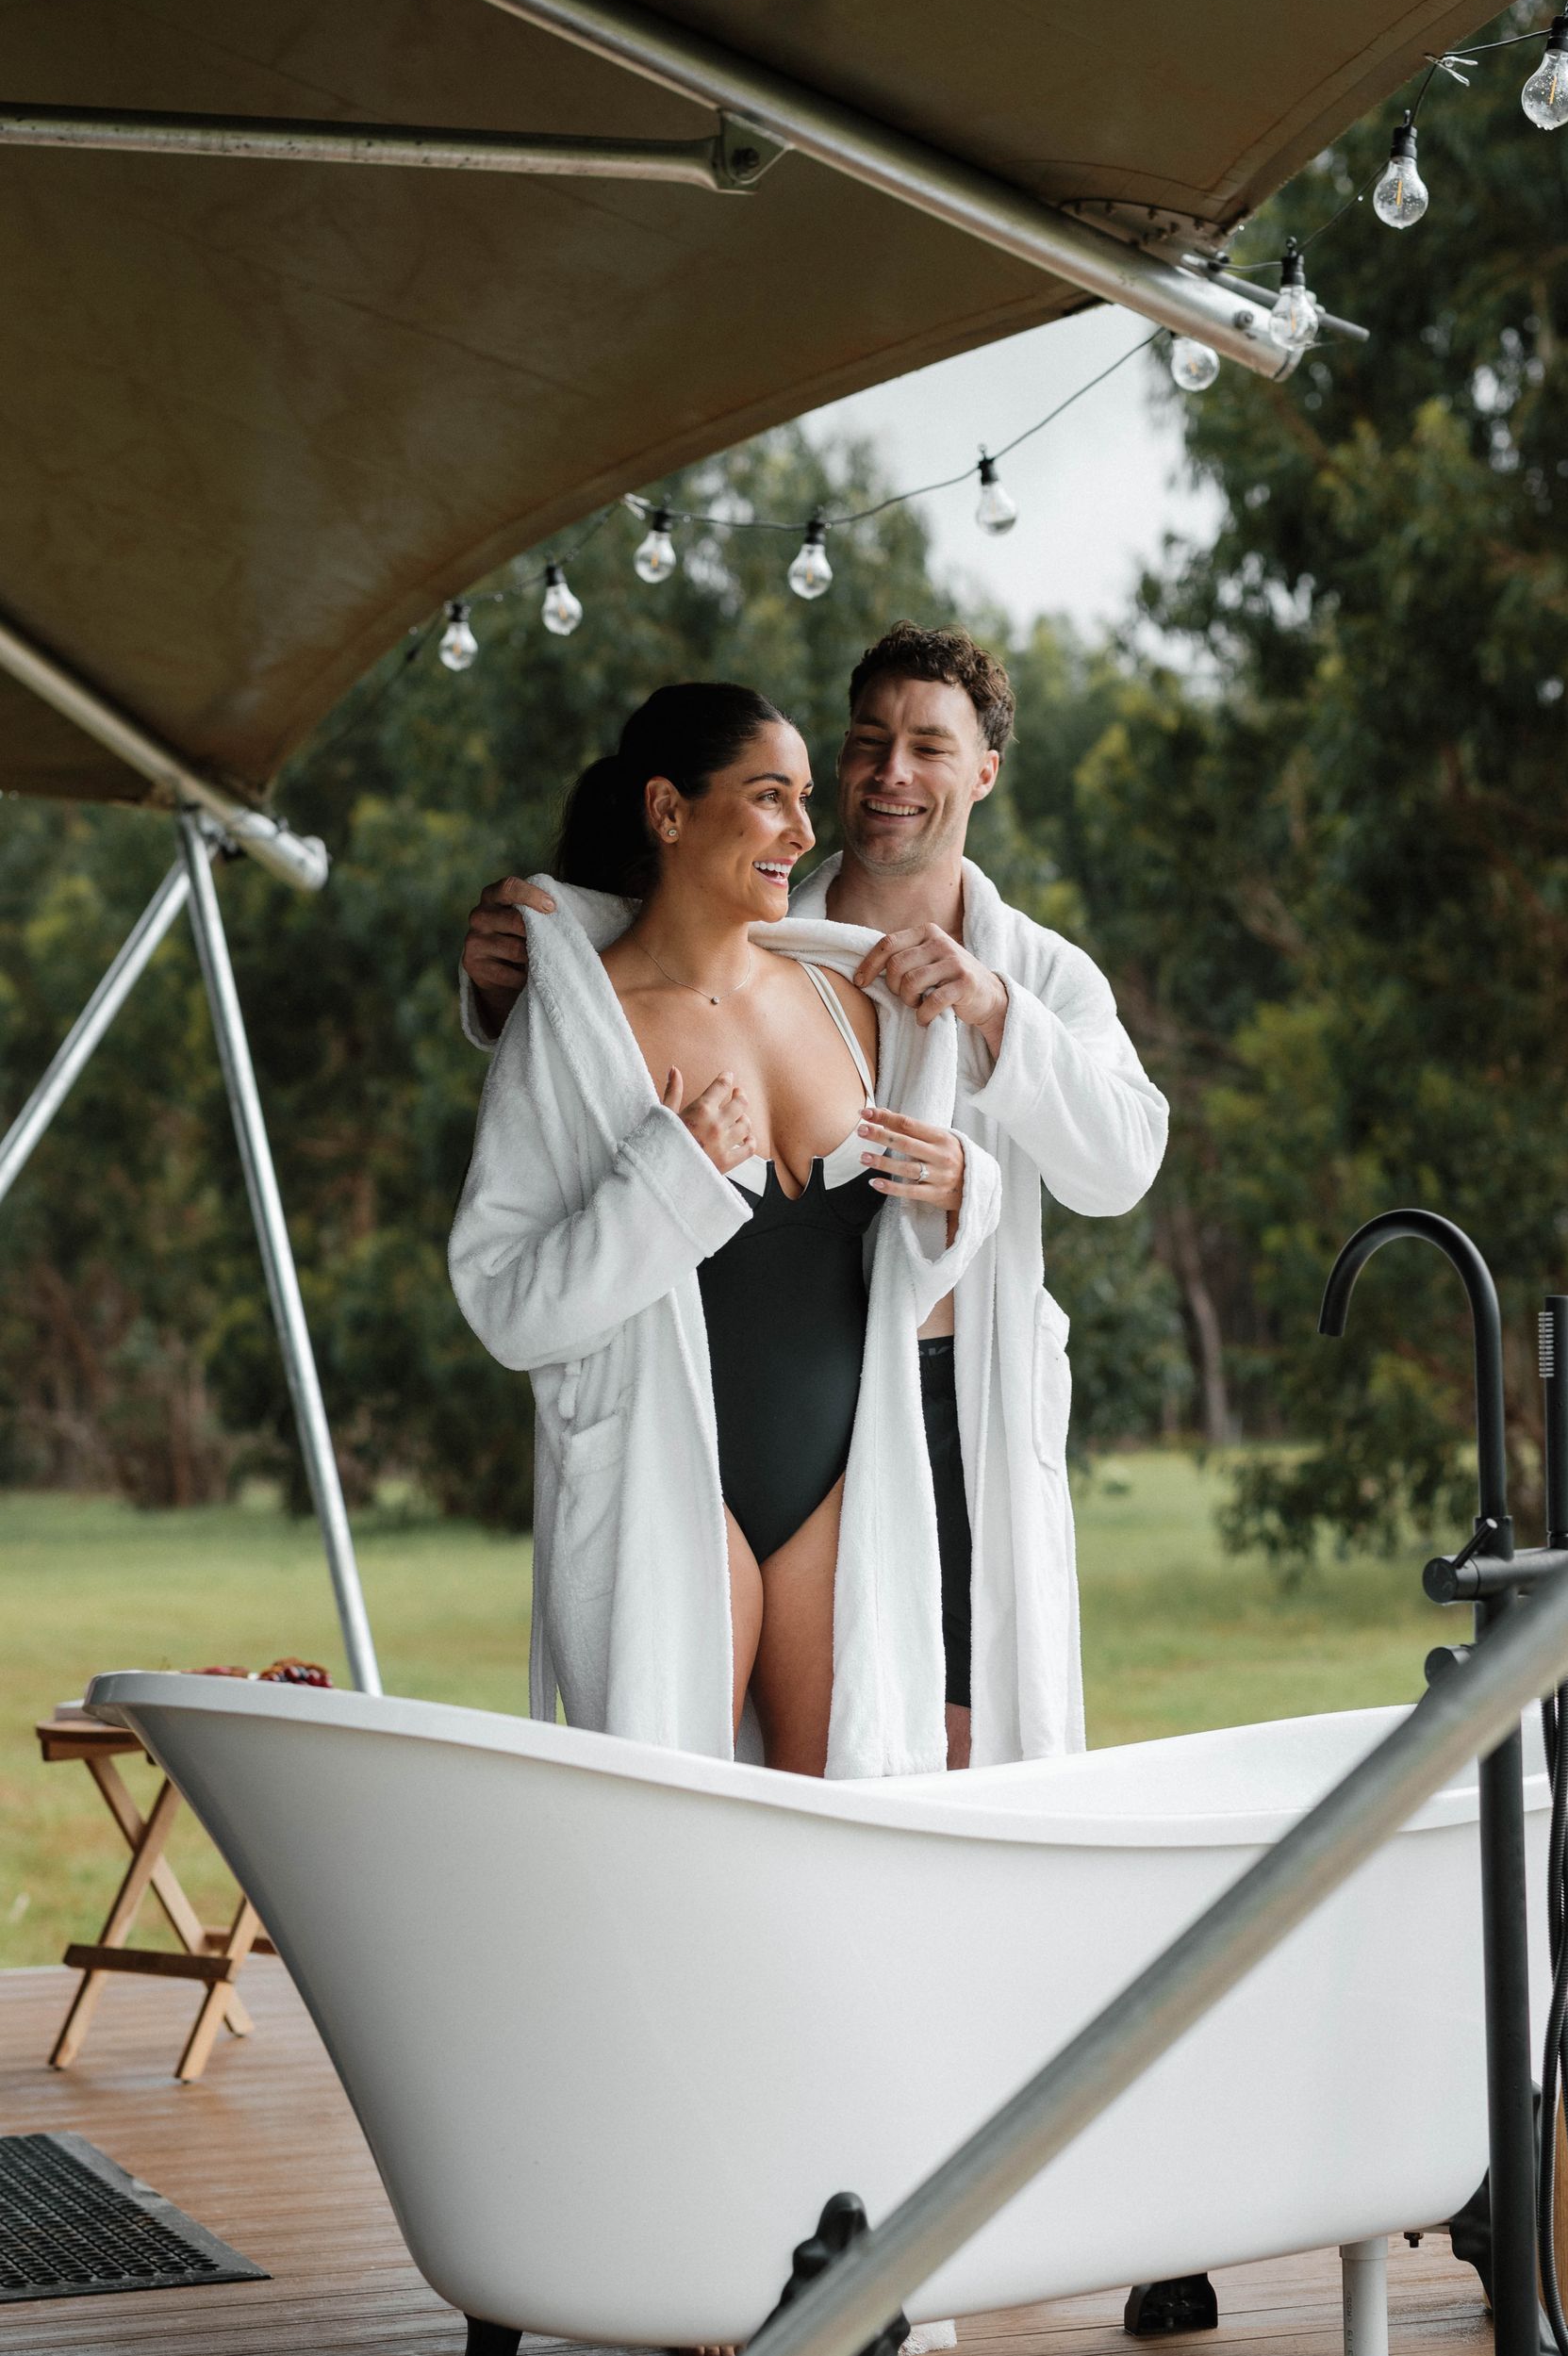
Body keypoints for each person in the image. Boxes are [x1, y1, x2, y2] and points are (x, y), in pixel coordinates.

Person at [462, 625, 1169, 1771]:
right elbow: (632, 947)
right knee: (720, 1775)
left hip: (939, 1397)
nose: (890, 774)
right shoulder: (787, 937)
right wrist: (515, 970)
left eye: (929, 747)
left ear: (983, 770)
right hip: (723, 1415)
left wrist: (995, 1019)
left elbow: (1126, 1159)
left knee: (952, 1745)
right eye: (868, 743)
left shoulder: (1032, 972)